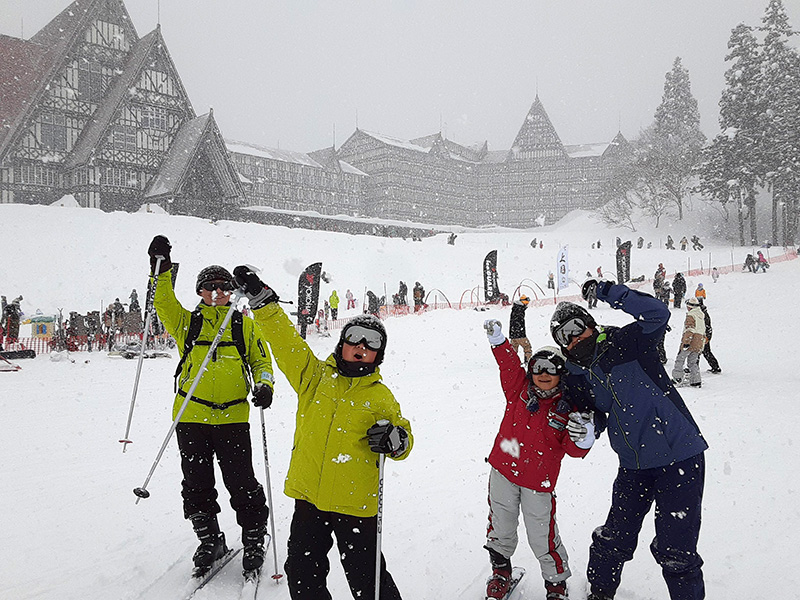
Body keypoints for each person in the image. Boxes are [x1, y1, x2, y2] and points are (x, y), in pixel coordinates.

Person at [232, 266, 413, 600]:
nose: (361, 345)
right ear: (342, 344)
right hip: (310, 499)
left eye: (371, 342)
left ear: (378, 355)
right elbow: (286, 342)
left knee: (368, 579)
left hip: (355, 505)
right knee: (301, 573)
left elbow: (402, 434)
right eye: (355, 337)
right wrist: (262, 301)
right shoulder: (314, 378)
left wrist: (396, 439)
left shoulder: (379, 396)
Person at [550, 284, 707, 600]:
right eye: (564, 336)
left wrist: (609, 291)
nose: (574, 338)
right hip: (634, 465)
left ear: (590, 324)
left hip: (680, 456)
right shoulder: (576, 374)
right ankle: (601, 592)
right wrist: (589, 424)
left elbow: (658, 313)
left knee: (676, 549)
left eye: (577, 328)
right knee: (615, 537)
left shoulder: (629, 341)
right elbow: (590, 410)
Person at [146, 236, 275, 576]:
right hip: (192, 417)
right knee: (196, 483)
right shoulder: (188, 323)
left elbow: (262, 362)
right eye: (209, 287)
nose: (217, 293)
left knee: (241, 482)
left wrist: (265, 386)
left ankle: (253, 538)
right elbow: (162, 302)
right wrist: (159, 267)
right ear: (200, 292)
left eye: (223, 287)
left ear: (232, 291)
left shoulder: (242, 324)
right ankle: (209, 539)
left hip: (233, 416)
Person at [482, 321, 595, 600]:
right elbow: (509, 366)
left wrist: (584, 437)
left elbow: (574, 450)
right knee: (500, 525)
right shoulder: (518, 391)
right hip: (504, 471)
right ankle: (500, 573)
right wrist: (499, 341)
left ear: (562, 373)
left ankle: (555, 584)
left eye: (551, 369)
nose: (543, 374)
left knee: (541, 535)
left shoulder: (566, 407)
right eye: (538, 368)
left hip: (538, 483)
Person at [671, 296, 706, 388]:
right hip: (699, 341)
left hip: (691, 341)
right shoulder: (700, 315)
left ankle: (677, 378)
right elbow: (703, 330)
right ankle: (696, 380)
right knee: (692, 362)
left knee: (680, 359)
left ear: (690, 306)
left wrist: (686, 342)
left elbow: (690, 329)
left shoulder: (691, 315)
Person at [696, 300, 721, 374]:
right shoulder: (703, 312)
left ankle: (693, 368)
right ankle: (715, 367)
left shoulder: (702, 314)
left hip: (702, 335)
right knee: (705, 352)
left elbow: (707, 326)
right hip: (703, 335)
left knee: (696, 352)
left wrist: (707, 337)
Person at [508, 296, 533, 363]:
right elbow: (518, 322)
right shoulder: (519, 309)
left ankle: (511, 362)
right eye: (527, 302)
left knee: (513, 349)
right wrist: (520, 332)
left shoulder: (515, 308)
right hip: (520, 334)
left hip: (513, 334)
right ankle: (528, 361)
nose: (527, 304)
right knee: (527, 347)